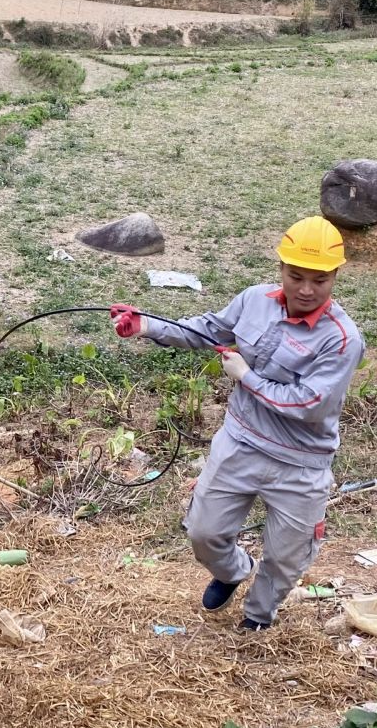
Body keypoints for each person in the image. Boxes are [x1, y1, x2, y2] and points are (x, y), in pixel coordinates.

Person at [110, 216, 364, 631]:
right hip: (240, 442)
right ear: (281, 268)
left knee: (286, 557)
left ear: (335, 276)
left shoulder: (342, 339)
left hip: (300, 463)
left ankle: (257, 618)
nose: (305, 289)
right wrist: (147, 325)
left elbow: (309, 405)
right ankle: (232, 571)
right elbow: (208, 330)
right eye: (296, 276)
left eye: (319, 280)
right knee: (203, 532)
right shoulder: (254, 300)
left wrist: (246, 376)